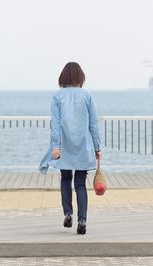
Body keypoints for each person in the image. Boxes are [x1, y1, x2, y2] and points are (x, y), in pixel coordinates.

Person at [39, 62, 102, 235]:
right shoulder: (87, 95)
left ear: (63, 77)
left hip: (64, 146)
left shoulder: (57, 96)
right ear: (80, 77)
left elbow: (56, 124)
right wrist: (97, 147)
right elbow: (93, 124)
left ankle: (68, 213)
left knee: (65, 179)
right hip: (83, 145)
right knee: (80, 183)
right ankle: (82, 219)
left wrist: (56, 146)